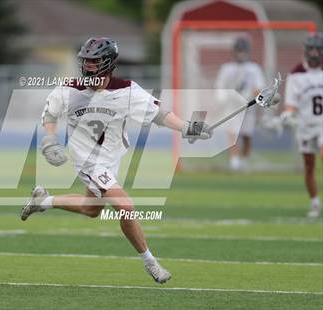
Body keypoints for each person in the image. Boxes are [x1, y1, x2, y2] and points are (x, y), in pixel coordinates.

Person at [20, 37, 212, 283]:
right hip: (87, 161)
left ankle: (43, 201)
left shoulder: (127, 90)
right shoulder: (70, 89)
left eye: (94, 61)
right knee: (125, 206)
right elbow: (50, 112)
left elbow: (160, 115)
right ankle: (151, 262)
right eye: (86, 61)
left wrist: (188, 127)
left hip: (110, 160)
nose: (88, 66)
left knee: (92, 209)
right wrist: (49, 139)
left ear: (109, 63)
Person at [281, 33, 323, 218]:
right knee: (309, 166)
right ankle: (314, 203)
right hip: (305, 125)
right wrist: (289, 114)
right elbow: (291, 104)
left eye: (317, 49)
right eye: (311, 49)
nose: (313, 53)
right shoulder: (296, 73)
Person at [215, 37, 266, 170]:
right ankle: (234, 160)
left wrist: (247, 97)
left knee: (247, 135)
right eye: (238, 50)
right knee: (232, 132)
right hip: (232, 107)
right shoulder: (226, 68)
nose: (240, 53)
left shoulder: (254, 68)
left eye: (243, 50)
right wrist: (223, 99)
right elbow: (220, 86)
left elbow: (258, 88)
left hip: (248, 107)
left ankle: (244, 160)